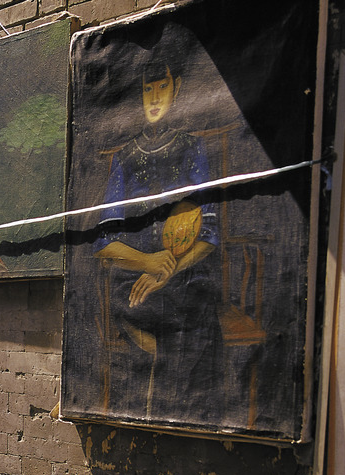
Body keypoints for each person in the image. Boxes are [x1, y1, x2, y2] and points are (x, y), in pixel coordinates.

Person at [93, 52, 221, 419]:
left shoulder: (192, 148)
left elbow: (209, 233)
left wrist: (168, 270)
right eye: (147, 89)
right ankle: (146, 411)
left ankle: (180, 415)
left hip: (184, 274)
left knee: (195, 315)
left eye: (162, 86)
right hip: (133, 275)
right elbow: (105, 242)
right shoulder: (125, 158)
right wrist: (147, 262)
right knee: (137, 307)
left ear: (176, 88)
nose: (154, 97)